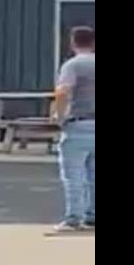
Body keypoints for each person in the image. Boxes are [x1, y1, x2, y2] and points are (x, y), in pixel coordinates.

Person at [50, 26, 95, 234]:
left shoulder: (72, 65)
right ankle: (92, 215)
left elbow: (62, 92)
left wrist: (58, 116)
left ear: (73, 43)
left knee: (74, 175)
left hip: (78, 124)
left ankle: (74, 218)